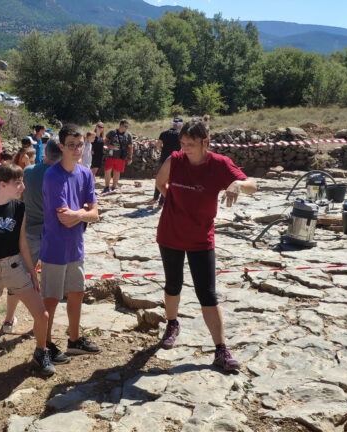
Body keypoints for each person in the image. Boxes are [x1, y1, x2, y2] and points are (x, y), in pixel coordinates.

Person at [154, 118, 258, 371]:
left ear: (206, 142)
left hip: (201, 238)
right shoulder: (175, 160)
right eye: (182, 143)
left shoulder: (220, 164)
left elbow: (252, 186)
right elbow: (160, 183)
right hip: (171, 234)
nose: (184, 148)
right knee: (173, 284)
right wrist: (175, 202)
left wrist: (237, 184)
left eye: (190, 144)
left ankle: (221, 350)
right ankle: (172, 324)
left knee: (207, 293)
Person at [0, 164, 55, 377]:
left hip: (16, 265)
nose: (23, 187)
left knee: (42, 314)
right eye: (18, 182)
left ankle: (41, 352)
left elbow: (23, 242)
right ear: (2, 184)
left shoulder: (19, 207)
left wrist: (32, 271)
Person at [40, 125, 100, 364]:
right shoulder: (53, 176)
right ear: (62, 146)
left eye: (80, 144)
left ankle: (74, 340)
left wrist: (80, 214)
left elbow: (95, 213)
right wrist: (83, 213)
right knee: (51, 299)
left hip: (76, 246)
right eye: (72, 145)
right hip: (55, 246)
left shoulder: (85, 174)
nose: (77, 149)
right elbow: (65, 219)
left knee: (77, 293)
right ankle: (45, 345)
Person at [1, 140, 62, 334]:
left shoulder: (28, 172)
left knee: (21, 278)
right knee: (49, 281)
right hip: (54, 234)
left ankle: (9, 319)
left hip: (29, 233)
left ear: (45, 153)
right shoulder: (62, 175)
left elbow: (15, 198)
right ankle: (42, 322)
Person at [150, 117, 183, 206]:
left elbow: (158, 145)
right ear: (180, 125)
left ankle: (155, 198)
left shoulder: (164, 133)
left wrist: (163, 150)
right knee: (169, 181)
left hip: (163, 158)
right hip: (174, 160)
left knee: (160, 179)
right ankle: (161, 202)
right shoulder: (181, 135)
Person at [103, 119, 133, 193]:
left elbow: (130, 147)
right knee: (108, 171)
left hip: (121, 156)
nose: (126, 128)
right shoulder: (112, 132)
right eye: (125, 127)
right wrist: (108, 145)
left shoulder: (128, 135)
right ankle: (106, 187)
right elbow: (106, 140)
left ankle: (114, 186)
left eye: (127, 127)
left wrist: (130, 157)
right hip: (111, 155)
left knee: (117, 172)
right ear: (121, 125)